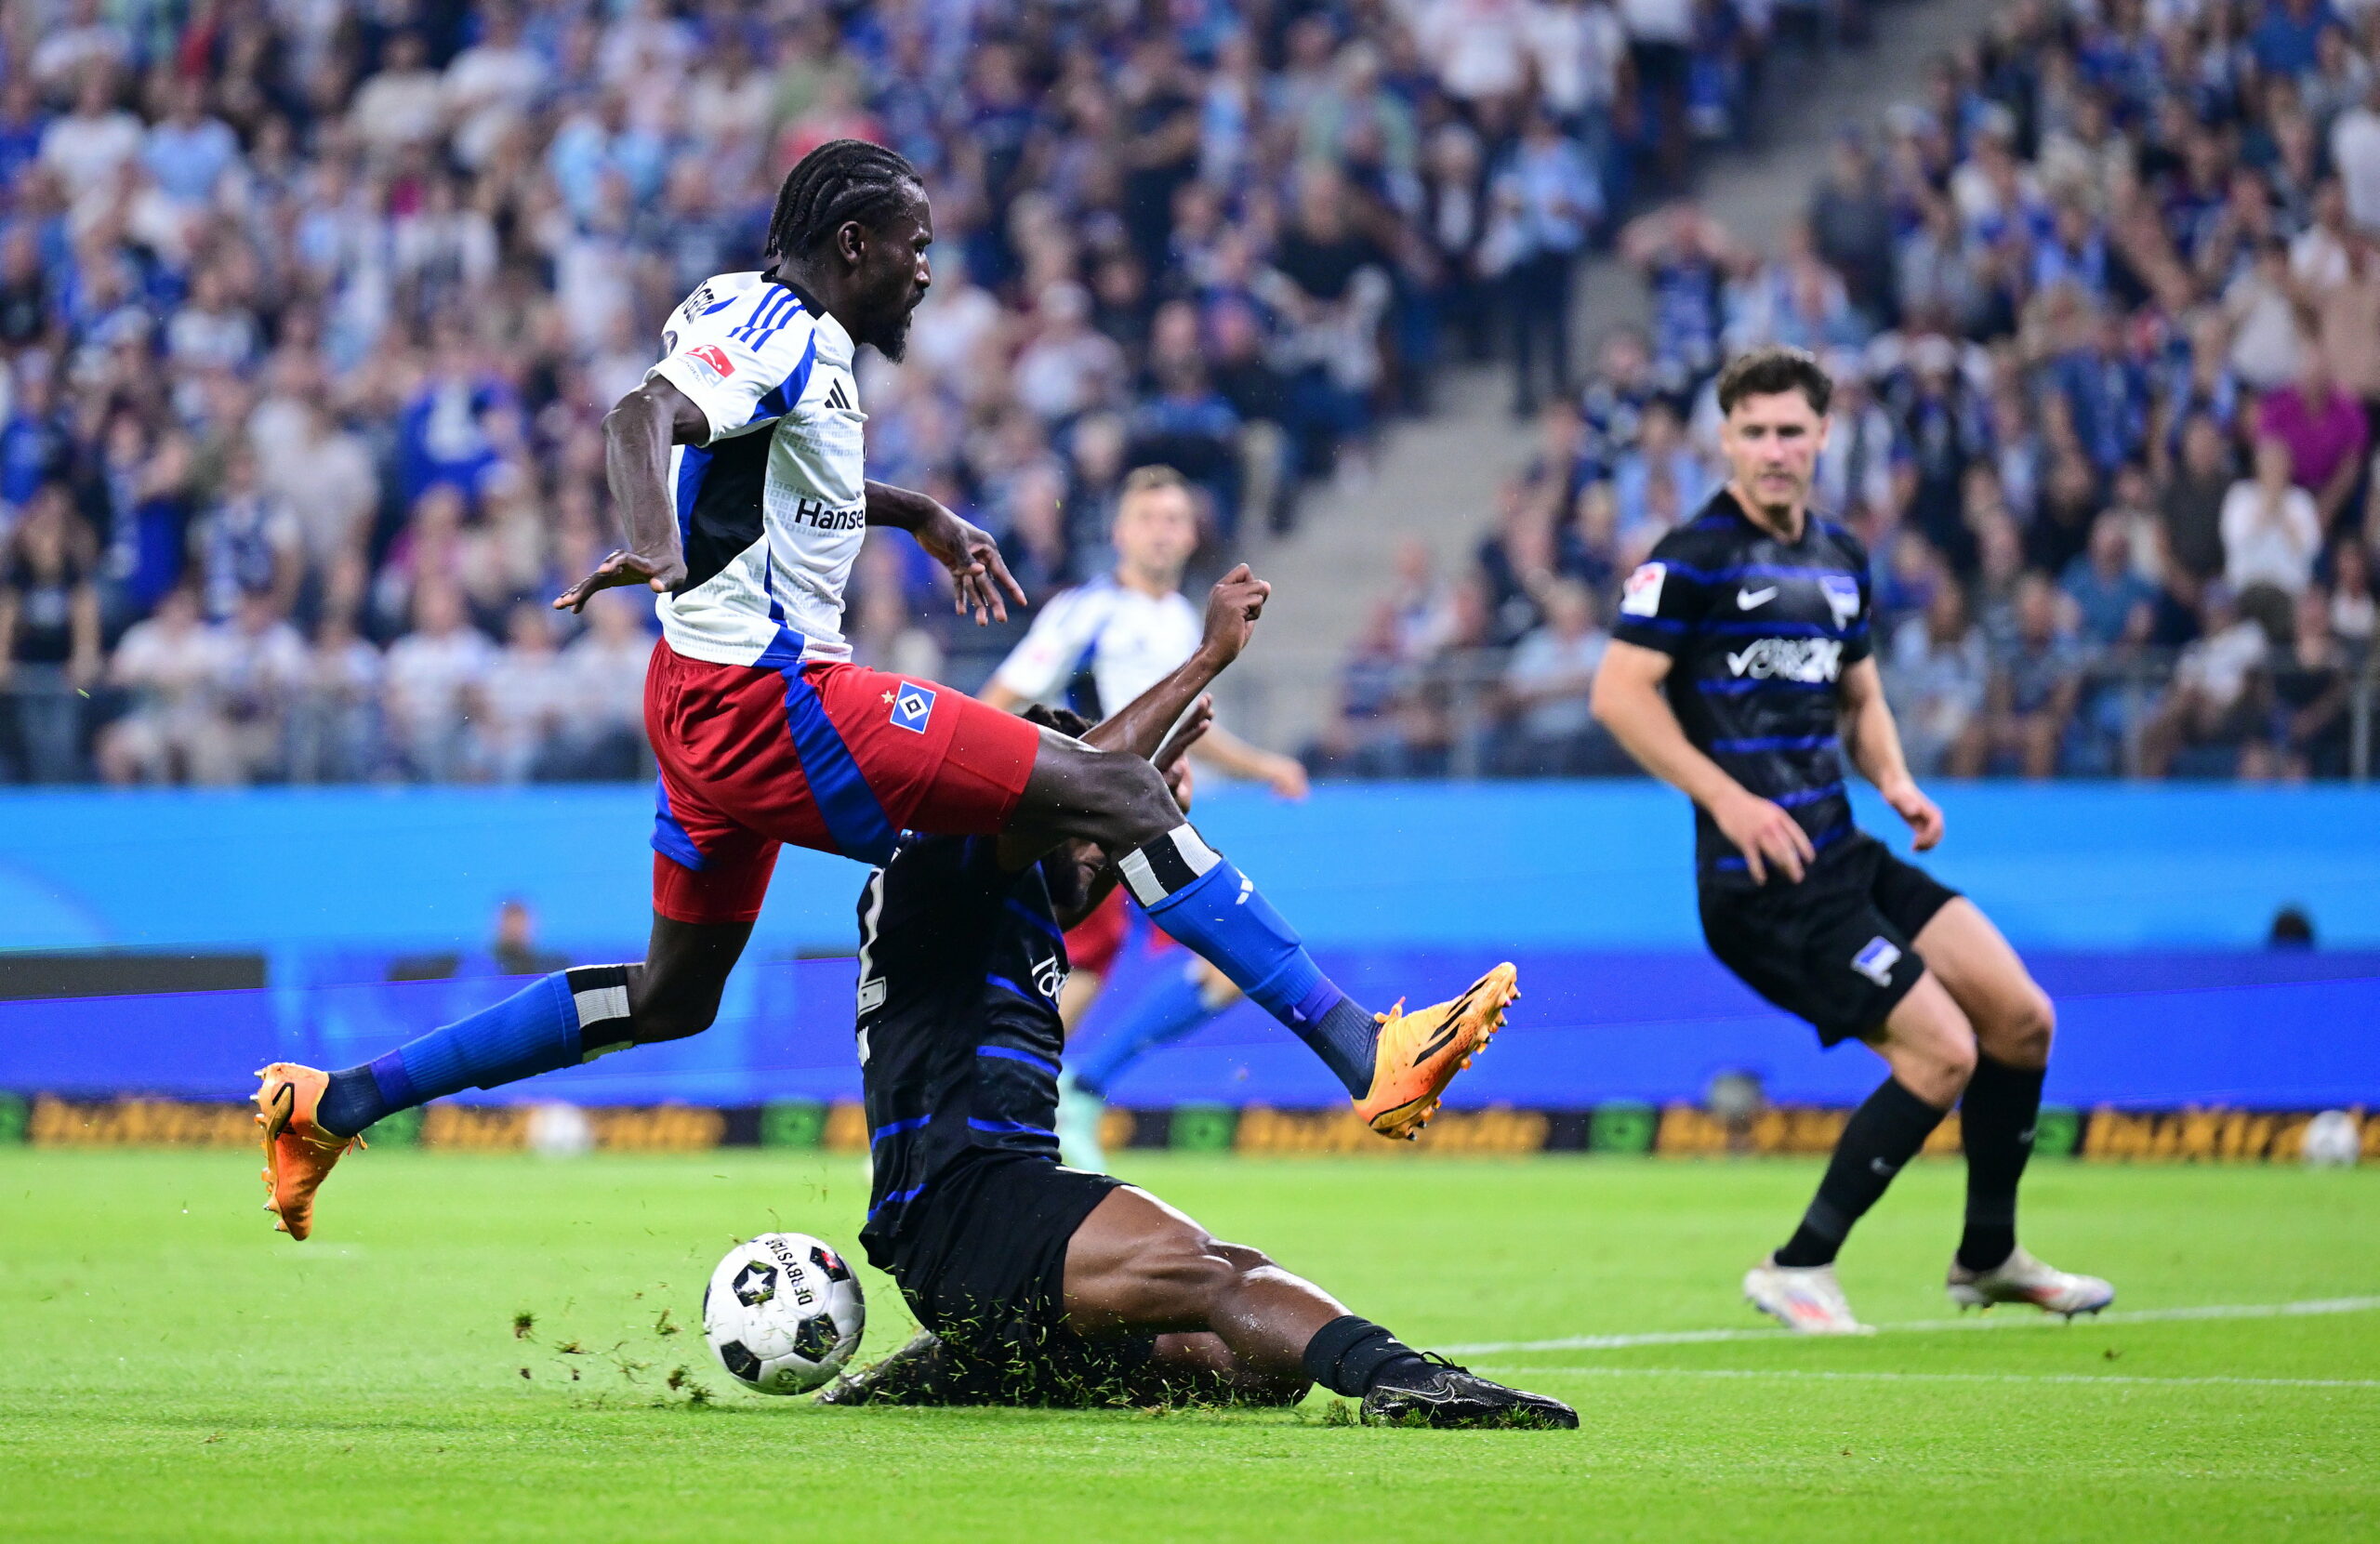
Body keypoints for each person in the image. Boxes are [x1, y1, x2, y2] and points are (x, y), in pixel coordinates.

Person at [251, 142, 1513, 1240]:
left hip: (701, 702)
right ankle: (1364, 1046)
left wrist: (919, 515)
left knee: (672, 995)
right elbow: (642, 420)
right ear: (851, 244)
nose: (925, 269)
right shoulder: (781, 331)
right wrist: (652, 538)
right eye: (913, 247)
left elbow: (777, 464)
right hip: (772, 700)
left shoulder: (773, 323)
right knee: (1117, 793)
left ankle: (335, 1104)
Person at [814, 574, 1565, 1428]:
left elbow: (1078, 861)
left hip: (974, 1233)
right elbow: (1073, 791)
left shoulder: (986, 905)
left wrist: (1150, 787)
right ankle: (1410, 1379)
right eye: (1077, 819)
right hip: (973, 1208)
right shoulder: (938, 858)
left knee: (1254, 1364)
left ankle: (973, 1361)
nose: (1093, 854)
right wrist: (1204, 660)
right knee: (1224, 1273)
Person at [1589, 345, 2113, 1334]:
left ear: (1824, 435)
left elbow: (1858, 692)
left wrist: (1896, 778)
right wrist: (1729, 800)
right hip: (1759, 880)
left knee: (2022, 1018)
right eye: (1753, 431)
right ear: (1725, 439)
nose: (1773, 449)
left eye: (1791, 430)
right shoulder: (1691, 556)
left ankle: (1988, 1253)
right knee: (1942, 1053)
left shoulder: (1837, 558)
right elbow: (1617, 693)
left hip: (1844, 850)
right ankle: (1798, 1264)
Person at [981, 463, 1310, 1169]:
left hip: (1155, 815)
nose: (1163, 532)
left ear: (1192, 534)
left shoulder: (1180, 620)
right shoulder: (1085, 610)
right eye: (1149, 518)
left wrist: (1264, 767)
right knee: (1082, 970)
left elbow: (1190, 725)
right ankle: (997, 1105)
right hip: (1088, 821)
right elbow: (1001, 696)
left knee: (1212, 967)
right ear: (1121, 531)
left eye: (1175, 519)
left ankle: (1072, 1089)